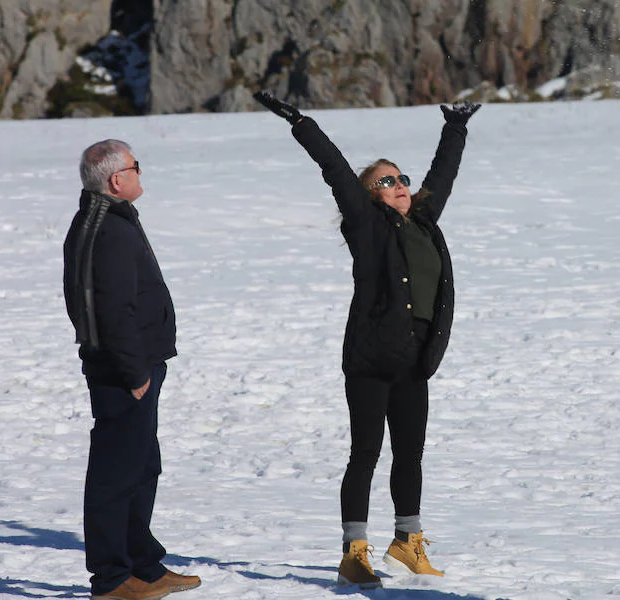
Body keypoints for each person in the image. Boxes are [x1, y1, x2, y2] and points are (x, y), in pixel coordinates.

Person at [254, 90, 479, 588]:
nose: (400, 185)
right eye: (387, 181)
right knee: (366, 453)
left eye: (402, 179)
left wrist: (455, 128)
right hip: (371, 360)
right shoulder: (366, 226)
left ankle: (407, 540)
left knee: (411, 455)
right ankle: (354, 551)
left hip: (415, 361)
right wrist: (303, 123)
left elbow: (443, 176)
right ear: (371, 193)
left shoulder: (422, 222)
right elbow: (334, 168)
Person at [63, 140, 201, 600]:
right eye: (136, 167)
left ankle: (142, 564)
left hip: (137, 366)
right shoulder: (107, 228)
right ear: (117, 180)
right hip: (124, 373)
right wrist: (133, 371)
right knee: (115, 474)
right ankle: (111, 578)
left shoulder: (112, 220)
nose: (142, 174)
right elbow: (110, 309)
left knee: (142, 466)